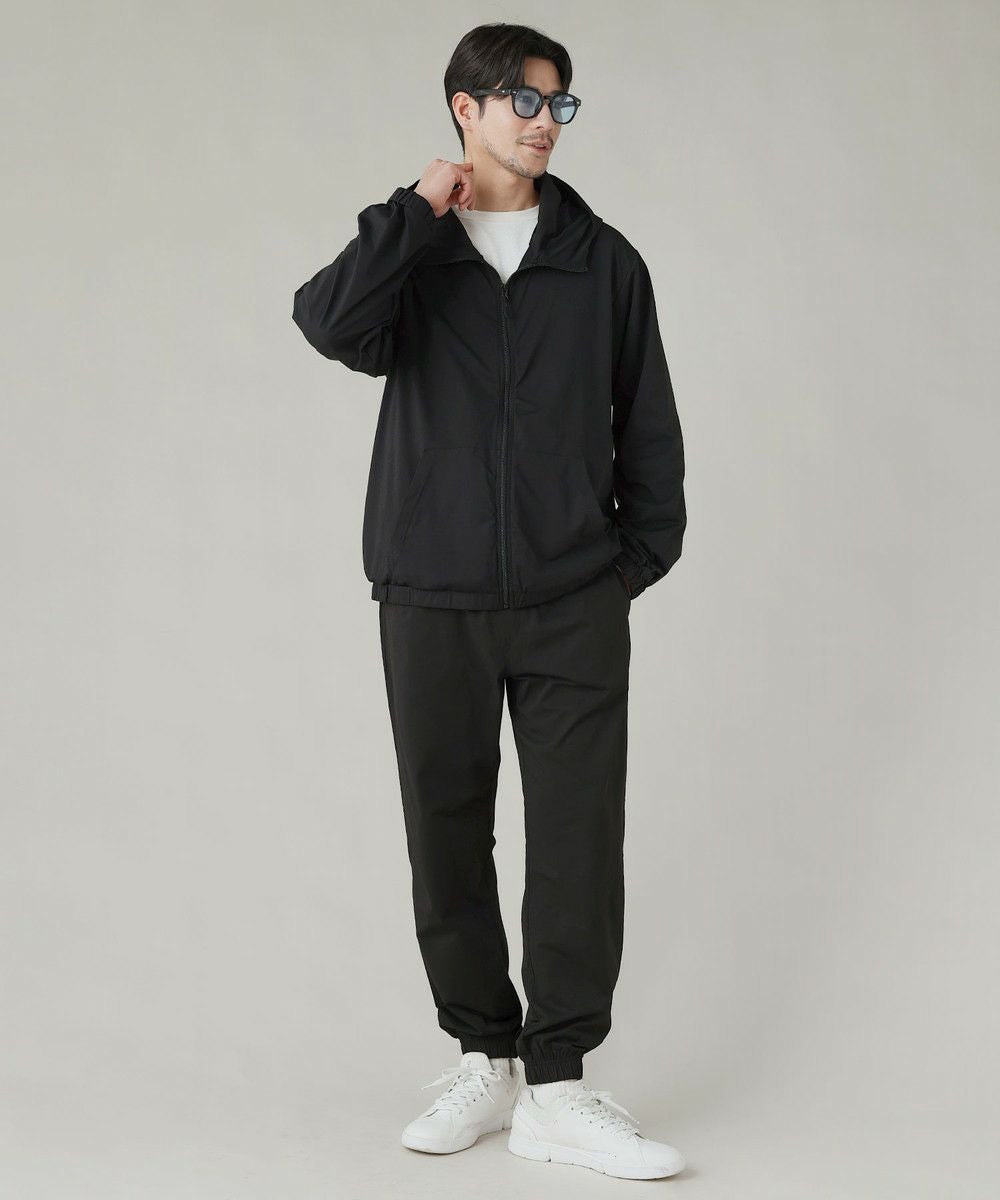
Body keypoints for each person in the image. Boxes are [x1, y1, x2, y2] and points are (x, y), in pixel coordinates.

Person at [292, 22, 687, 1181]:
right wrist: (412, 211)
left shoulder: (601, 261)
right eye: (521, 99)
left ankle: (557, 1085)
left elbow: (647, 428)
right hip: (430, 594)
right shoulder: (413, 256)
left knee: (578, 840)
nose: (543, 120)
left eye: (558, 103)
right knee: (446, 833)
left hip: (571, 602)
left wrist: (622, 569)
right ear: (464, 108)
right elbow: (327, 322)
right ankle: (485, 1057)